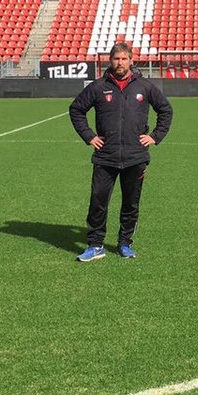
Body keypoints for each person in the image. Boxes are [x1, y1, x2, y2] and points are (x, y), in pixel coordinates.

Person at [67, 42, 173, 261]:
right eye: (116, 59)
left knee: (131, 203)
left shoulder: (144, 86)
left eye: (124, 59)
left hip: (136, 156)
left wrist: (155, 136)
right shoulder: (98, 87)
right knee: (98, 201)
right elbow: (76, 109)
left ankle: (125, 243)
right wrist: (89, 136)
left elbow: (165, 110)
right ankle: (96, 245)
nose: (120, 63)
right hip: (106, 156)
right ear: (110, 61)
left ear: (131, 60)